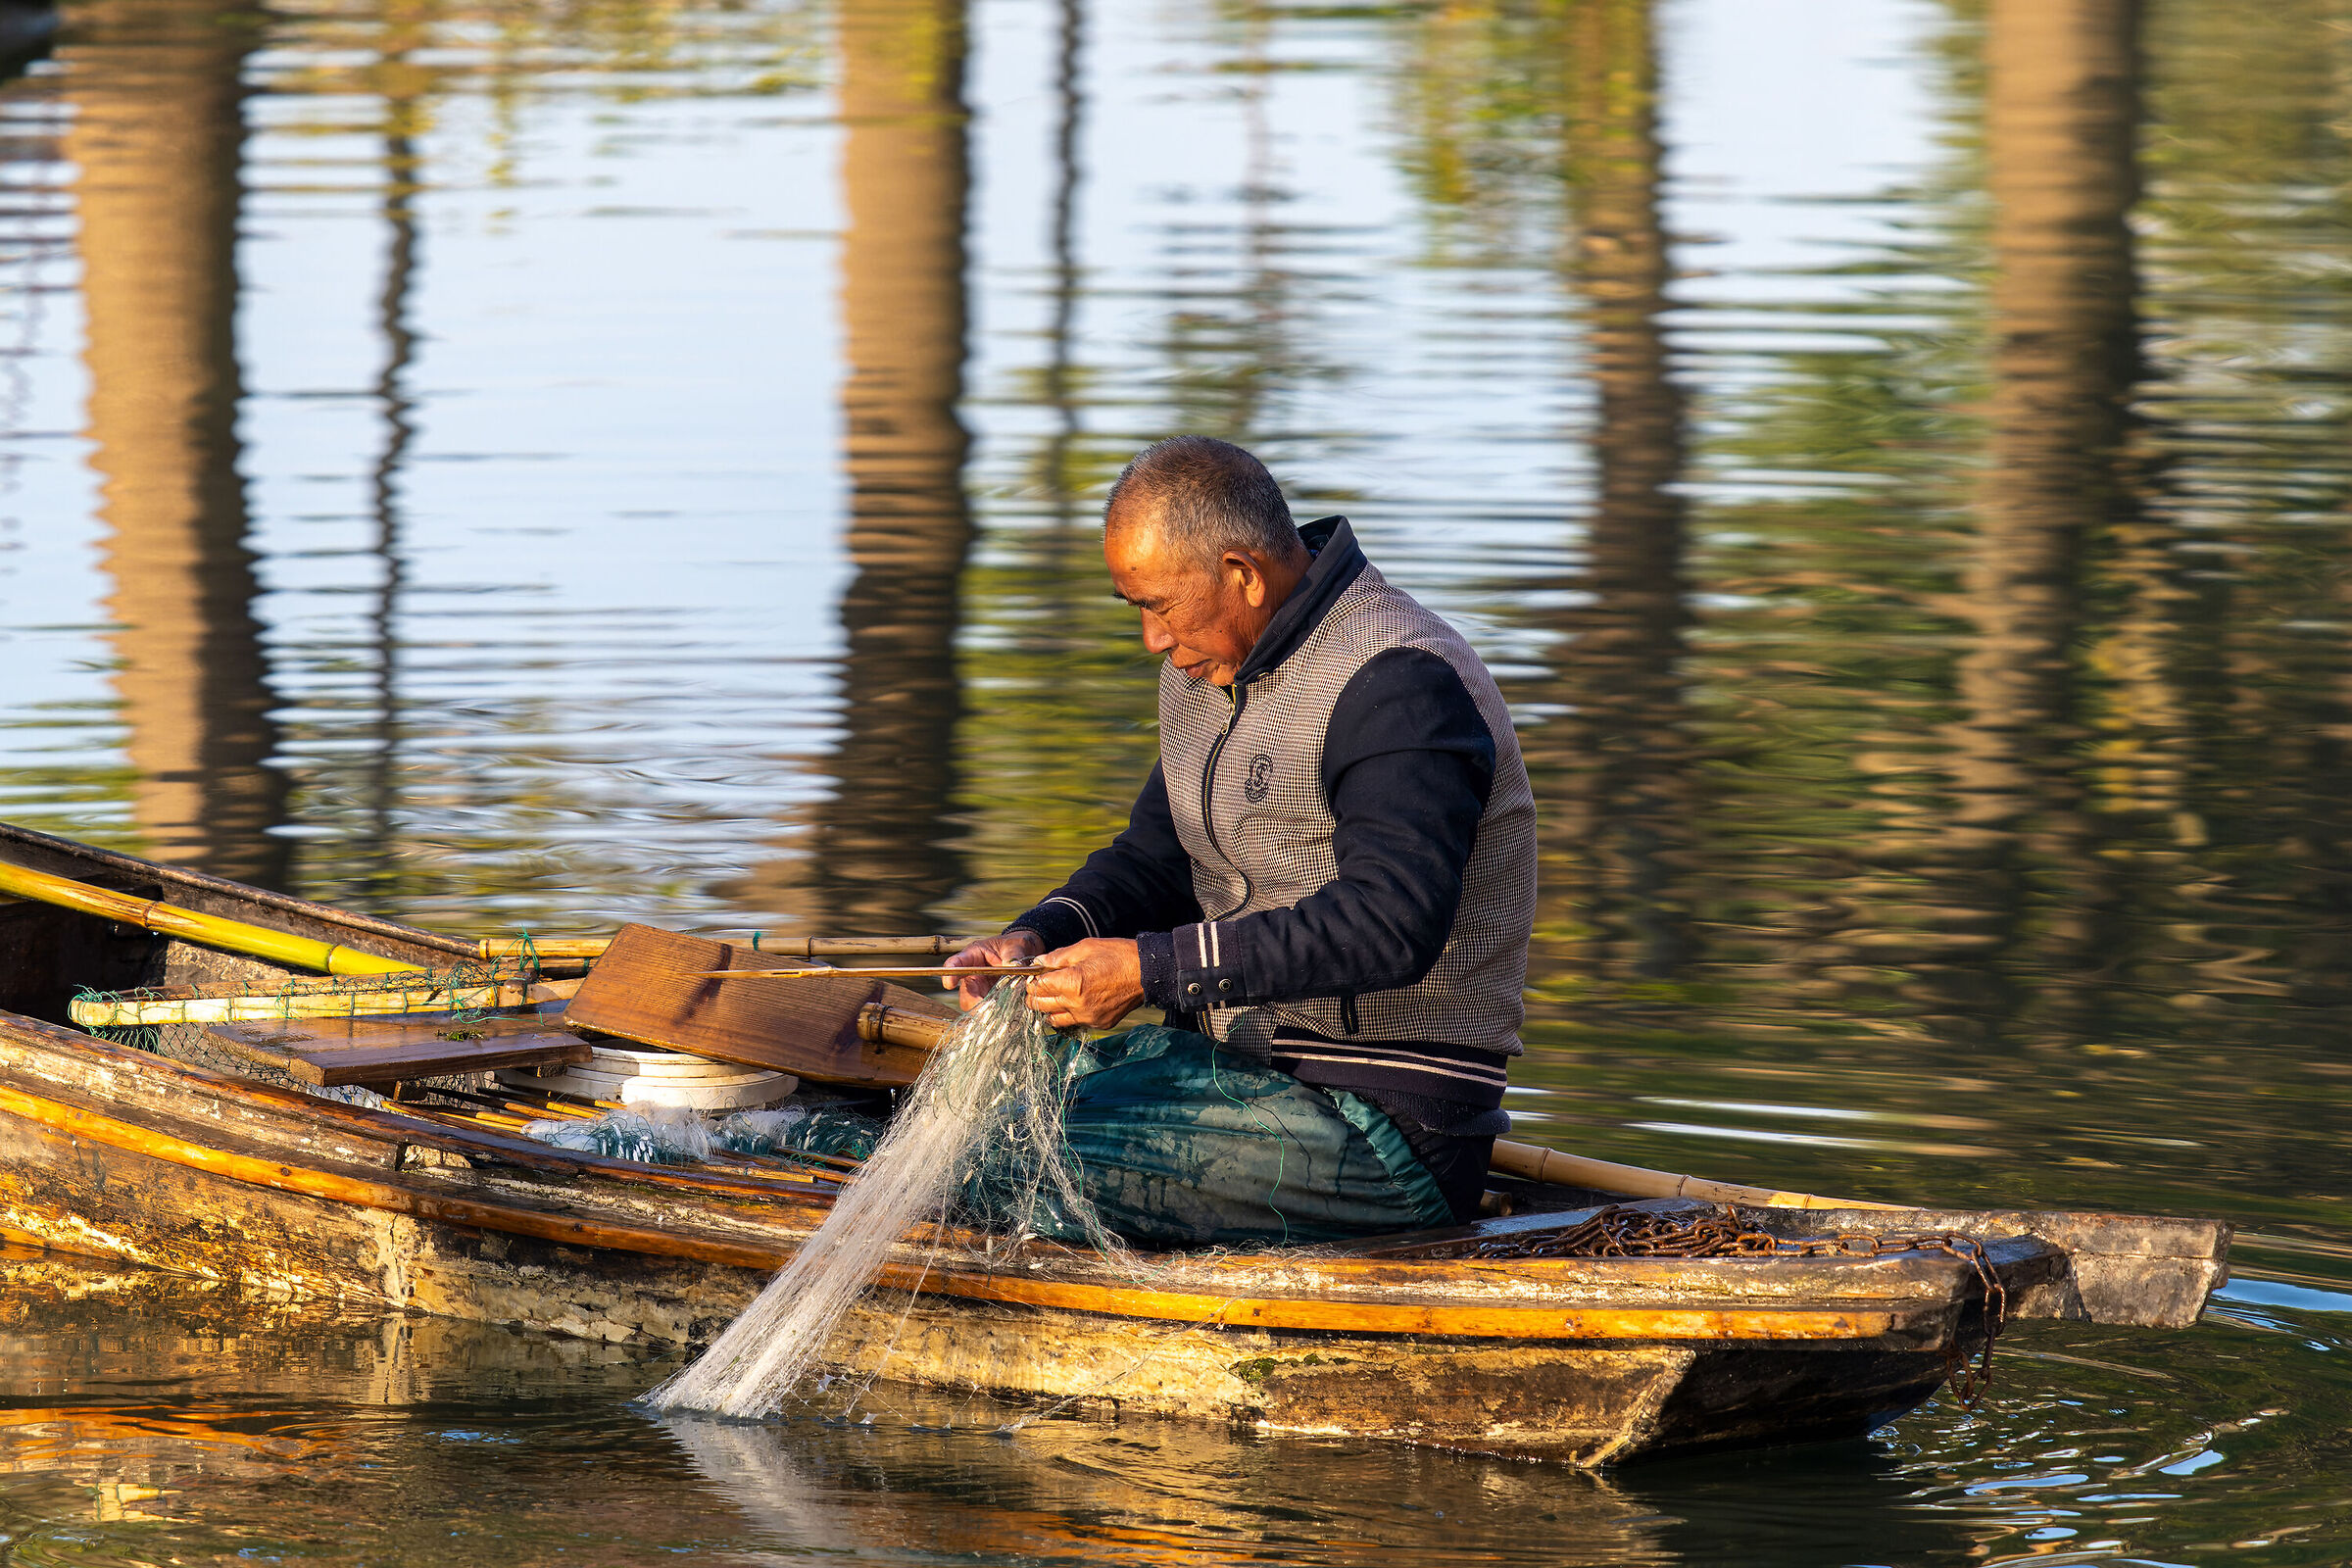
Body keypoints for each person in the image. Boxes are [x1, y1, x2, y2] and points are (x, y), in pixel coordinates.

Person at [947, 436, 1535, 1242]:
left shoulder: (1401, 680)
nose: (1153, 639)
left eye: (1160, 606)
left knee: (992, 1164)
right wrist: (1038, 936)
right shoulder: (1206, 670)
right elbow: (1156, 862)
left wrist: (1150, 971)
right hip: (1228, 1081)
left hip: (1382, 1132)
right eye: (1136, 609)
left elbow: (1390, 923)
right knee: (967, 1122)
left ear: (1243, 575)